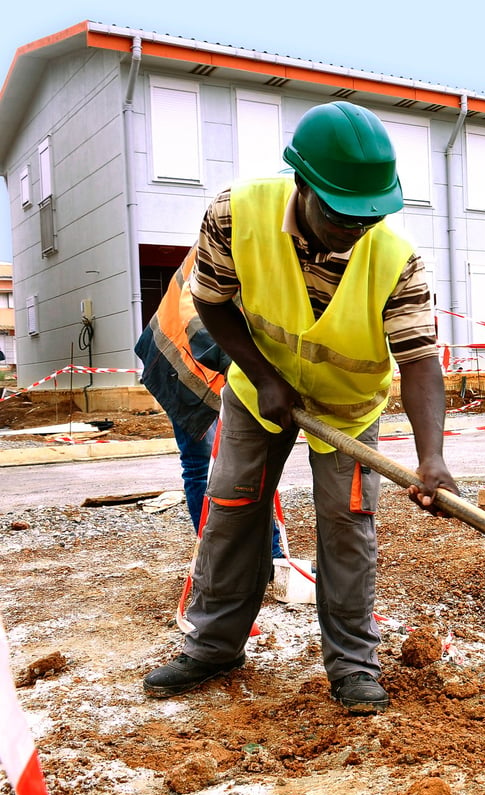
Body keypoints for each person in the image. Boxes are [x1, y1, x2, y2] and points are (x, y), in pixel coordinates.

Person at [143, 101, 456, 715]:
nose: (355, 229)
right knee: (232, 508)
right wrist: (263, 376)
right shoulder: (234, 216)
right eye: (342, 214)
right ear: (304, 184)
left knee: (346, 527)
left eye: (369, 216)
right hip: (260, 395)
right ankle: (214, 645)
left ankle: (353, 667)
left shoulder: (396, 258)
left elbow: (420, 361)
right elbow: (211, 302)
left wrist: (432, 458)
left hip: (347, 410)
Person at [134, 251, 285, 559]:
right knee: (201, 464)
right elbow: (194, 307)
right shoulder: (232, 234)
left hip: (235, 367)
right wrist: (248, 372)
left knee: (255, 465)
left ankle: (269, 558)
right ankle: (216, 559)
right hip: (180, 361)